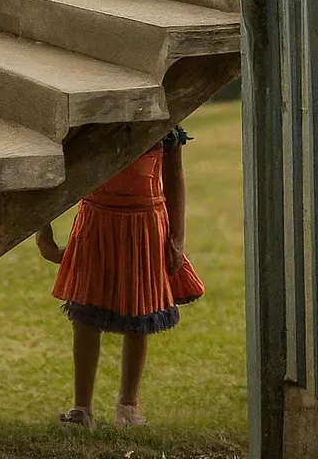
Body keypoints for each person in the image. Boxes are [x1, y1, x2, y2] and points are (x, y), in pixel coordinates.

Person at [35, 125, 204, 429]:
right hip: (96, 221)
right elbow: (51, 168)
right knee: (85, 317)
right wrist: (42, 233)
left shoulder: (163, 126)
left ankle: (128, 406)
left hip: (146, 227)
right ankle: (81, 409)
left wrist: (177, 238)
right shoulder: (88, 123)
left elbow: (175, 178)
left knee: (139, 316)